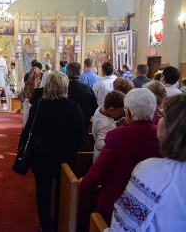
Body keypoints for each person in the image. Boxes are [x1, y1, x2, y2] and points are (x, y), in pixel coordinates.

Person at [80, 88, 162, 225]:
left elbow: (100, 171)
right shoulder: (161, 135)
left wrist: (84, 184)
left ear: (128, 112)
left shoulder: (118, 135)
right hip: (151, 208)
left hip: (117, 204)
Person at [107, 93, 186, 231]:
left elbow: (122, 226)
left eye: (162, 115)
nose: (158, 120)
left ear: (172, 129)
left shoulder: (153, 171)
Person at [19, 72, 85, 232]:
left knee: (42, 192)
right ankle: (60, 224)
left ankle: (46, 226)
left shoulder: (39, 106)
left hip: (41, 157)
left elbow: (28, 131)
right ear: (65, 87)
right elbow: (82, 138)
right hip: (65, 159)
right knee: (62, 193)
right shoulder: (73, 107)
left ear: (46, 87)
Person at [66, 62, 98, 148]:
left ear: (67, 73)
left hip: (64, 129)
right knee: (82, 157)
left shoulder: (62, 88)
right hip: (83, 127)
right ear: (80, 73)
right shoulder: (87, 89)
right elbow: (94, 108)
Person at [92, 91, 126, 162]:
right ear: (111, 109)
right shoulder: (105, 123)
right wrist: (119, 142)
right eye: (120, 110)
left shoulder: (99, 110)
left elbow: (104, 129)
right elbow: (100, 145)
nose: (122, 112)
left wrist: (118, 123)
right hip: (103, 159)